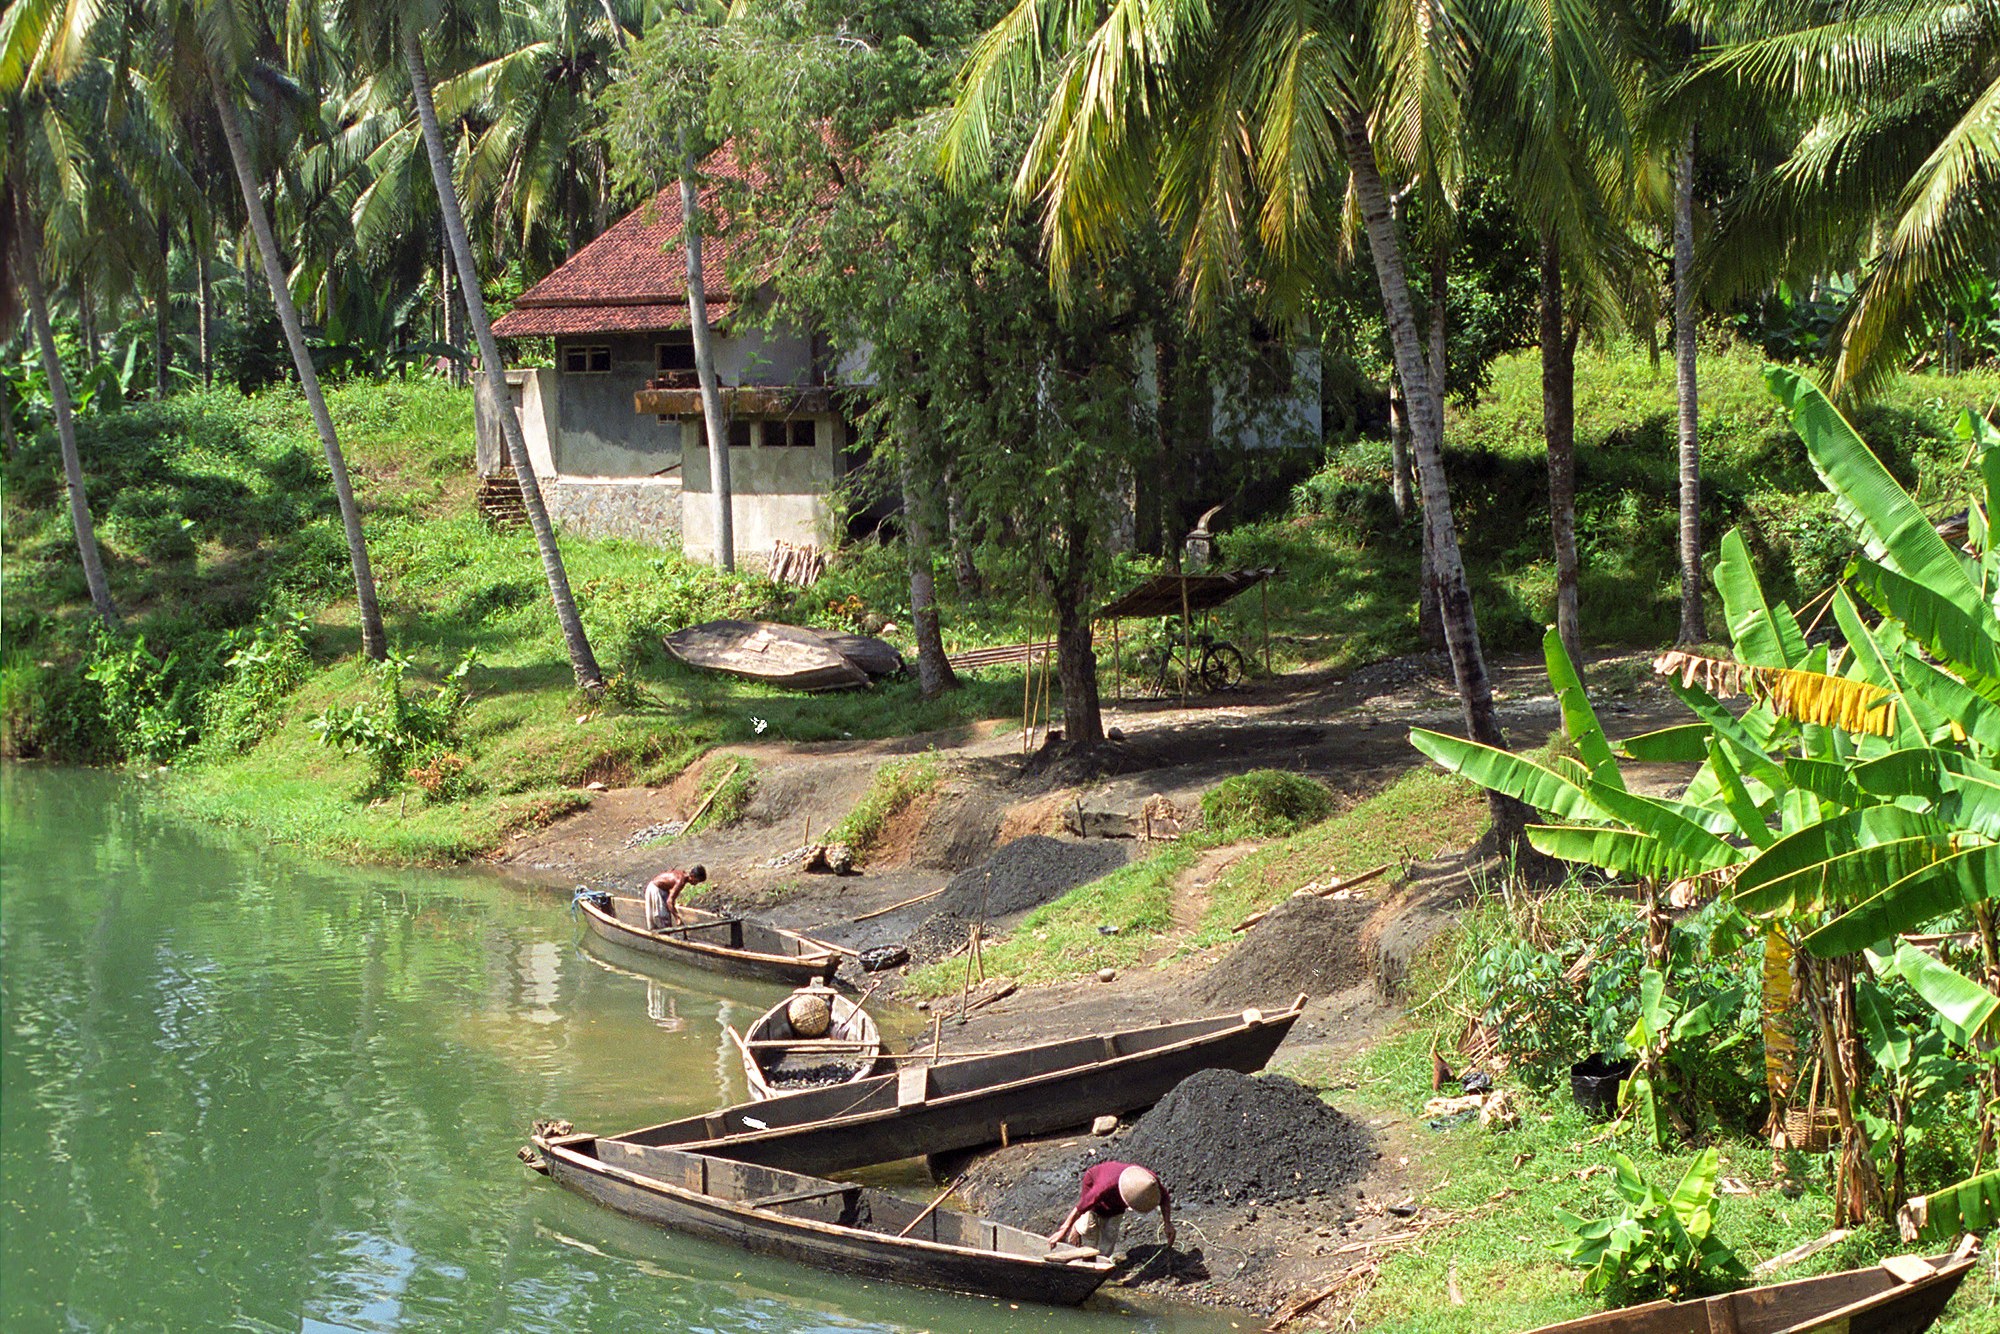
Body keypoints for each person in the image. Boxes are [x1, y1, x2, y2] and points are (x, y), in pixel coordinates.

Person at [1048, 1161, 1174, 1258]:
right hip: (1096, 1192)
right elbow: (1081, 1207)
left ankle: (1101, 1264)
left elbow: (1165, 1199)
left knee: (1110, 1234)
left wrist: (1167, 1223)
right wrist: (1063, 1230)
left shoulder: (1150, 1182)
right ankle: (1079, 1233)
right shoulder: (1104, 1186)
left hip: (1116, 1206)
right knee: (1088, 1230)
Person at [643, 865, 706, 930]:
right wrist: (677, 918)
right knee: (664, 917)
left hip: (657, 888)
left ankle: (663, 932)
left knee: (665, 916)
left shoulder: (682, 875)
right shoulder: (680, 881)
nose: (696, 884)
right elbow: (669, 901)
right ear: (692, 876)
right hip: (656, 889)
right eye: (696, 881)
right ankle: (663, 935)